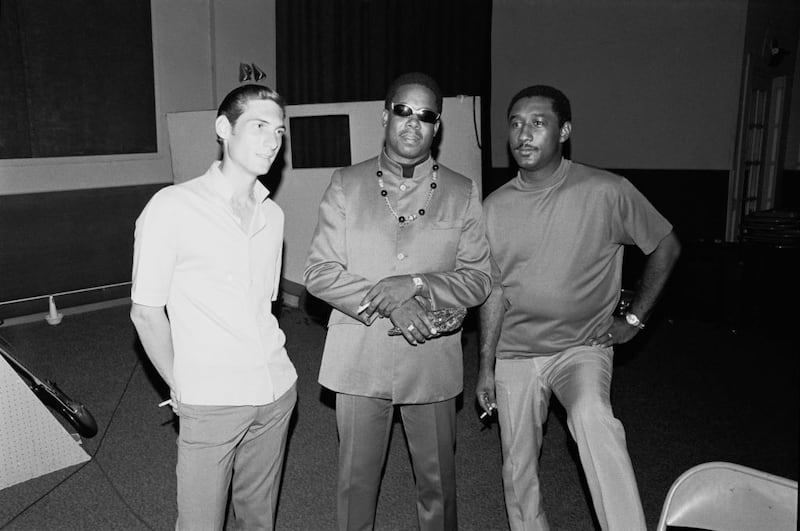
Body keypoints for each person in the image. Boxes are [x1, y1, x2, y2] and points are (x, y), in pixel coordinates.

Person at [477, 85, 681, 531]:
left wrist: (634, 319)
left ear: (564, 131)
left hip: (581, 346)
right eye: (515, 123)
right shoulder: (493, 208)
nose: (523, 134)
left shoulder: (606, 190)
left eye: (538, 123)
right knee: (517, 465)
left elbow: (666, 246)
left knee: (593, 418)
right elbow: (493, 291)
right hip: (515, 351)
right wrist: (485, 367)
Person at [304, 72, 492, 531]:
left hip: (431, 359)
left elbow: (478, 280)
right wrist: (389, 301)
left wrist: (417, 283)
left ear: (437, 127)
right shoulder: (346, 183)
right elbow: (319, 272)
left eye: (425, 115)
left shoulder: (461, 190)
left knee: (438, 487)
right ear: (385, 116)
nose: (413, 122)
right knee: (356, 487)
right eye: (403, 111)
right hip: (359, 357)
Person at [130, 84, 297, 531]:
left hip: (276, 391)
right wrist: (181, 386)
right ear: (224, 128)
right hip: (211, 399)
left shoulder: (273, 216)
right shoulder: (172, 207)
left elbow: (263, 307)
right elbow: (146, 312)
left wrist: (281, 385)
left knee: (258, 519)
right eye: (259, 126)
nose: (272, 141)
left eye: (279, 131)